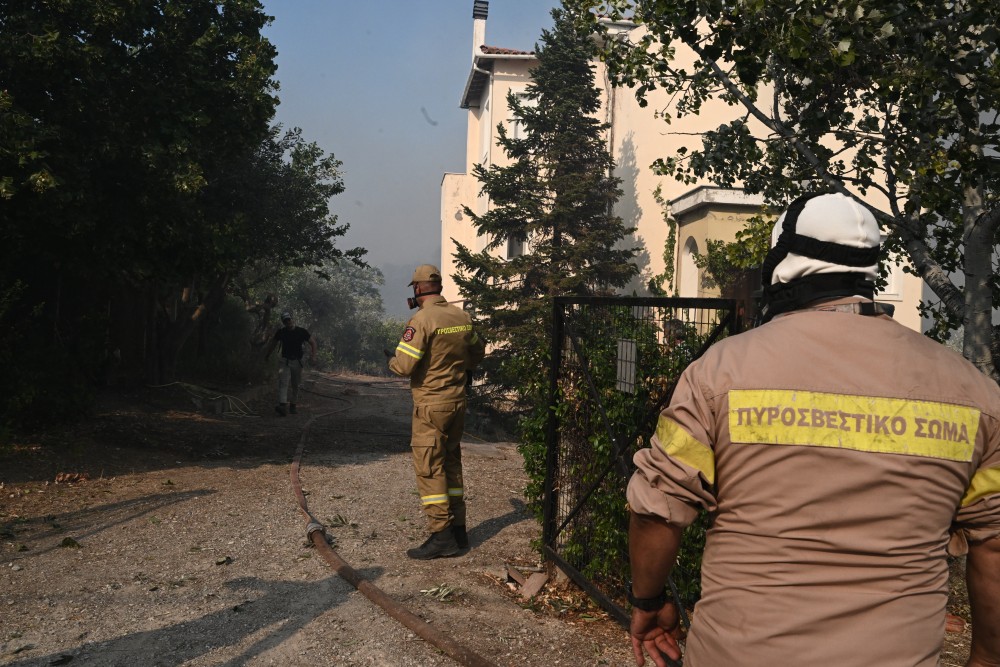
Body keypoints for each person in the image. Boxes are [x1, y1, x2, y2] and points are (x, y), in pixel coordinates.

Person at [626, 193, 1000, 667]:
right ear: (869, 271)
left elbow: (657, 509)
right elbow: (994, 540)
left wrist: (648, 602)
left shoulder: (720, 374)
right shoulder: (974, 393)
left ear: (781, 265)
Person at [387, 264, 486, 560]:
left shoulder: (421, 321)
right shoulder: (461, 317)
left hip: (431, 405)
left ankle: (441, 536)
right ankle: (459, 531)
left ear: (418, 289)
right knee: (452, 463)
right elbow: (478, 352)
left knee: (430, 469)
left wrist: (392, 360)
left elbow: (404, 366)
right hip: (457, 402)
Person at [264, 311, 316, 417]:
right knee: (283, 383)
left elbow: (313, 343)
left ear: (292, 319)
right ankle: (282, 405)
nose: (288, 322)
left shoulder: (302, 332)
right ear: (283, 322)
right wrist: (268, 355)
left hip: (297, 361)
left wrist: (313, 356)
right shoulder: (281, 332)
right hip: (285, 361)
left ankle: (293, 405)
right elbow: (273, 344)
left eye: (289, 319)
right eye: (285, 321)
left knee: (295, 385)